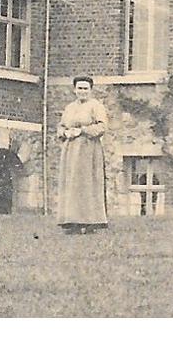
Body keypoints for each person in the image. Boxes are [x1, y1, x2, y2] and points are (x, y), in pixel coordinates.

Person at [56, 74, 109, 233]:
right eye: (79, 88)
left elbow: (102, 127)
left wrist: (82, 131)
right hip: (70, 151)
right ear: (74, 90)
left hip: (88, 150)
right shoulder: (69, 108)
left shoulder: (96, 106)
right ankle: (71, 221)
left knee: (86, 183)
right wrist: (65, 133)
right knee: (71, 183)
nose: (82, 91)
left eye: (86, 88)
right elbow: (60, 127)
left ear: (91, 90)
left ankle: (89, 222)